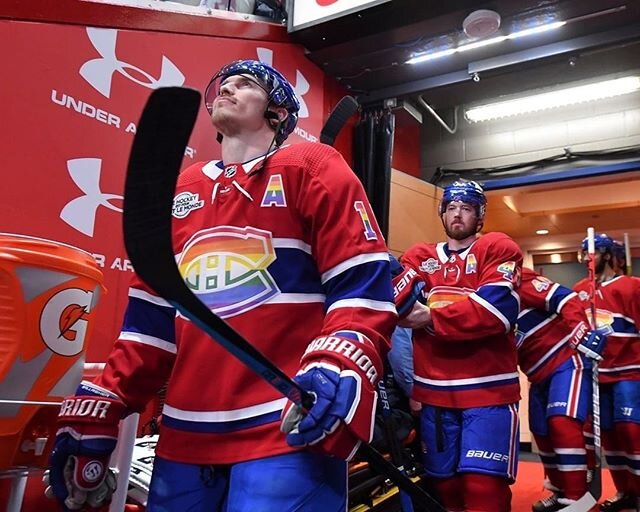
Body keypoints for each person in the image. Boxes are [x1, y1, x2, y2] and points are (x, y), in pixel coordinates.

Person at [46, 59, 397, 512]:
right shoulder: (182, 190)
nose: (228, 87)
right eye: (224, 83)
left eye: (246, 83)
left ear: (277, 111)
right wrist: (110, 399)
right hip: (184, 433)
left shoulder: (311, 165)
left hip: (286, 424)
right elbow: (151, 322)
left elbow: (361, 285)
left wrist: (339, 361)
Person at [393, 179, 523, 512]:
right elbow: (397, 301)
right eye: (451, 207)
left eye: (466, 208)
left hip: (488, 394)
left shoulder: (497, 247)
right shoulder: (419, 256)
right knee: (446, 489)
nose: (457, 215)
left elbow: (497, 310)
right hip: (435, 395)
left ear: (480, 215)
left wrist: (430, 317)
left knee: (484, 490)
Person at [516, 267, 605, 511]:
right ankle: (559, 491)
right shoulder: (474, 293)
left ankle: (576, 500)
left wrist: (580, 330)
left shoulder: (515, 277)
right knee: (541, 431)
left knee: (562, 422)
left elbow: (565, 298)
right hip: (536, 373)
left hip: (565, 360)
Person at [574, 234, 640, 512]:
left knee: (632, 433)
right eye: (583, 254)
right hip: (597, 376)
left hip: (629, 373)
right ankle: (625, 490)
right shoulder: (579, 289)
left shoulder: (632, 286)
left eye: (593, 253)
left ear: (610, 255)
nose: (587, 259)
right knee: (608, 438)